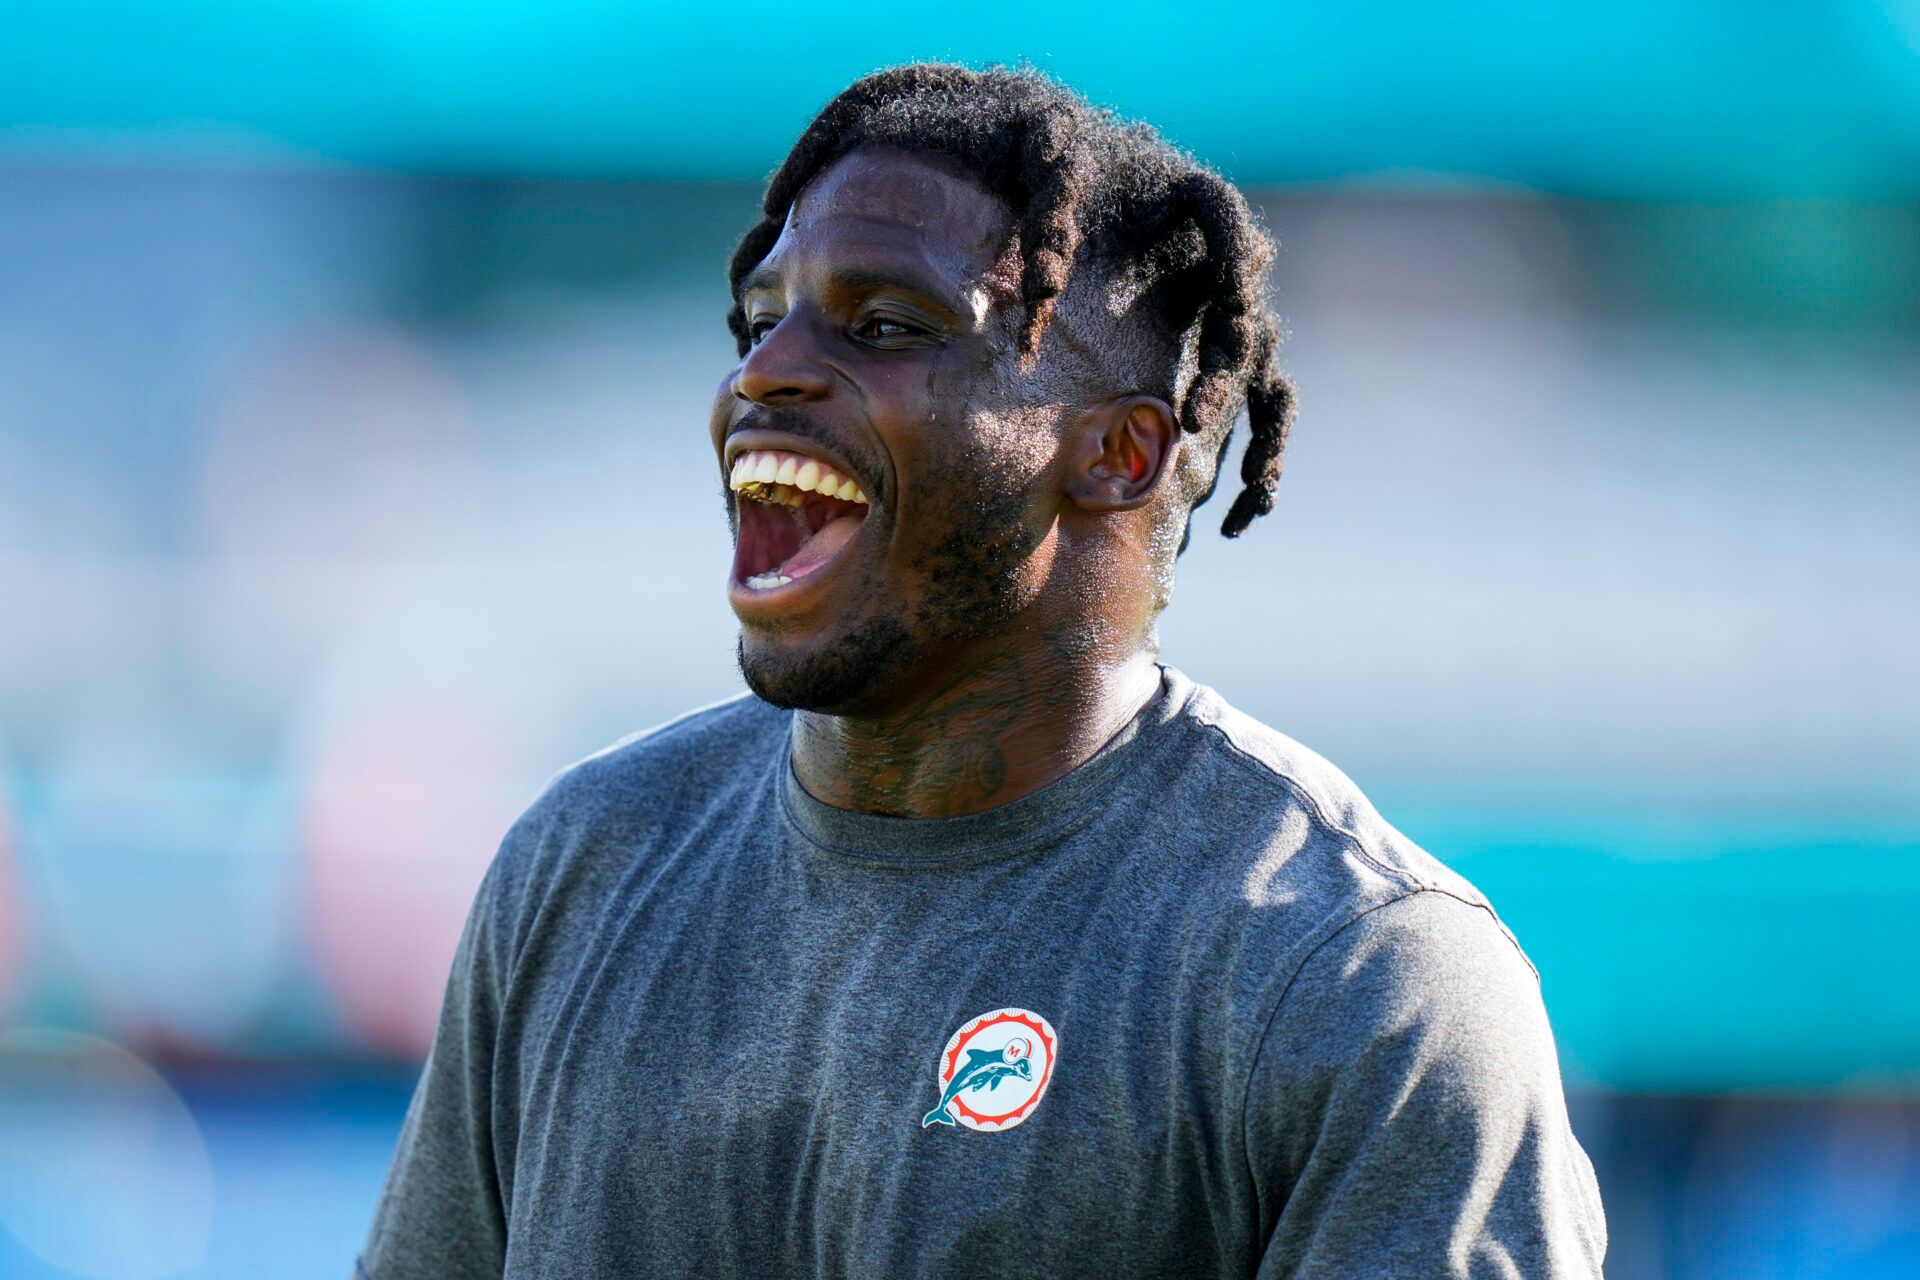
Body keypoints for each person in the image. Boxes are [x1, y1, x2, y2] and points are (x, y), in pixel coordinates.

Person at [358, 63, 1606, 1279]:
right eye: (758, 321)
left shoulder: (1359, 981)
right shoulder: (582, 868)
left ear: (1119, 452)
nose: (762, 373)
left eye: (889, 324)